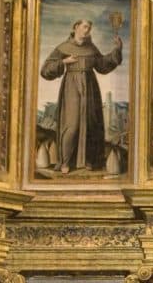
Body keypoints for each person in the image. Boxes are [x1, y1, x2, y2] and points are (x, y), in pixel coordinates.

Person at [39, 19, 123, 174]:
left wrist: (117, 50)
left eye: (89, 28)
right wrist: (64, 62)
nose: (87, 30)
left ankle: (89, 160)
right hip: (71, 87)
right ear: (76, 27)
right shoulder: (63, 47)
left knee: (91, 122)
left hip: (90, 87)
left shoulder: (91, 48)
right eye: (84, 27)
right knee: (71, 125)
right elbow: (45, 70)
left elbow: (102, 65)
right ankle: (66, 162)